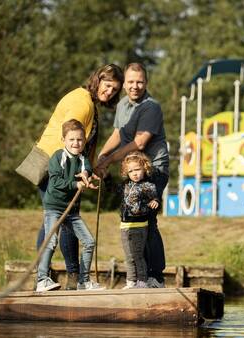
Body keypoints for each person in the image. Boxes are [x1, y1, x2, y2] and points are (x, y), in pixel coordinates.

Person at [35, 64, 124, 290]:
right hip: (53, 166)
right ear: (97, 80)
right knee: (61, 219)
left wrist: (91, 169)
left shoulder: (88, 101)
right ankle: (62, 280)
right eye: (107, 86)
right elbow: (72, 138)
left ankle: (66, 280)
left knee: (59, 219)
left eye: (114, 90)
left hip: (58, 164)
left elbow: (80, 146)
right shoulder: (82, 102)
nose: (109, 92)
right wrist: (80, 172)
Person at [96, 62, 169, 288]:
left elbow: (139, 142)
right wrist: (102, 155)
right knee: (133, 219)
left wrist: (109, 161)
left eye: (139, 82)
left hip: (153, 169)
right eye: (130, 82)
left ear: (146, 83)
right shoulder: (123, 105)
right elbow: (119, 133)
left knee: (148, 220)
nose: (134, 86)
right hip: (134, 169)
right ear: (124, 84)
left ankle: (155, 276)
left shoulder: (151, 107)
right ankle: (140, 277)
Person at [36, 119, 103, 291]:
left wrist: (87, 177)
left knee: (89, 242)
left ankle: (83, 281)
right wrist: (76, 184)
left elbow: (86, 169)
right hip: (54, 207)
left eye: (80, 139)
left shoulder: (83, 159)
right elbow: (56, 181)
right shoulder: (58, 156)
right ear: (63, 140)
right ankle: (42, 279)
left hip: (71, 210)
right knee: (51, 242)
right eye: (72, 139)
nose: (76, 143)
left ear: (84, 141)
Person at [108, 151, 159, 289]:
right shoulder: (125, 185)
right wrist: (106, 177)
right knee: (128, 256)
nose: (134, 173)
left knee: (137, 255)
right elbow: (113, 189)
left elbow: (154, 198)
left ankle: (142, 281)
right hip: (125, 225)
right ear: (126, 172)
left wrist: (155, 201)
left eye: (137, 169)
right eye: (131, 171)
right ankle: (131, 281)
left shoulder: (147, 186)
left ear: (145, 168)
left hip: (139, 225)